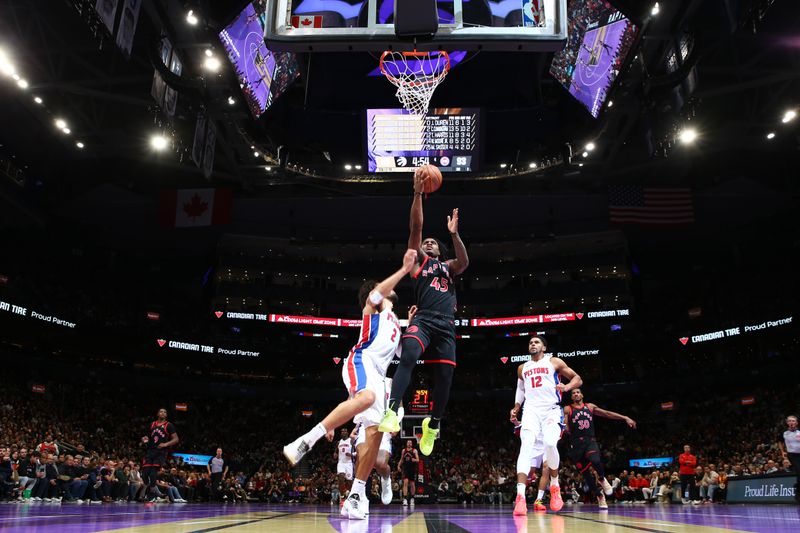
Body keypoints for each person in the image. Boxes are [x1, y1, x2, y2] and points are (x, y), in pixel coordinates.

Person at [283, 249, 417, 520]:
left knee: (375, 434)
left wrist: (412, 327)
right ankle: (307, 440)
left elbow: (405, 355)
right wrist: (403, 270)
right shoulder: (373, 309)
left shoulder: (395, 323)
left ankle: (356, 496)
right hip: (361, 360)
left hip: (379, 375)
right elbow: (374, 295)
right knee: (366, 397)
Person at [380, 168, 470, 457]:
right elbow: (415, 229)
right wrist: (418, 193)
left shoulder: (448, 268)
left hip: (446, 325)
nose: (427, 242)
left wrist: (454, 234)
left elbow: (465, 261)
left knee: (445, 377)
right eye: (425, 242)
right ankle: (392, 412)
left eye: (433, 242)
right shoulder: (419, 263)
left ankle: (433, 424)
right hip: (424, 319)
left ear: (440, 250)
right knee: (407, 357)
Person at [510, 335, 582, 515]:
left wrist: (566, 388)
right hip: (531, 411)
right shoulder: (522, 368)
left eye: (536, 342)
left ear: (544, 347)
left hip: (550, 410)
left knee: (550, 443)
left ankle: (555, 485)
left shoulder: (554, 361)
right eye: (530, 342)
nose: (532, 344)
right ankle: (520, 497)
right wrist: (517, 406)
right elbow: (521, 389)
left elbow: (577, 379)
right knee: (525, 446)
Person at [562, 388, 636, 509]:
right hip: (576, 444)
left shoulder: (590, 407)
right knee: (586, 474)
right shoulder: (568, 409)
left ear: (582, 395)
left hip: (589, 440)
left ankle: (602, 479)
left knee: (595, 460)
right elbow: (566, 426)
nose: (576, 394)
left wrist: (624, 417)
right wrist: (565, 427)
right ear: (571, 397)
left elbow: (607, 413)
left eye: (578, 392)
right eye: (573, 393)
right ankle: (599, 495)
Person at [140, 408, 179, 503]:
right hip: (150, 451)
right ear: (158, 413)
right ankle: (154, 489)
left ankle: (154, 492)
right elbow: (148, 438)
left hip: (160, 452)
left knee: (153, 474)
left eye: (165, 412)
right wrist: (145, 439)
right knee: (145, 474)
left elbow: (176, 439)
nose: (163, 413)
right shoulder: (152, 424)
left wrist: (165, 444)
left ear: (166, 415)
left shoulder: (168, 425)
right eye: (161, 411)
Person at [778, 415, 800, 503]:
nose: (791, 422)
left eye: (793, 421)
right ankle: (798, 493)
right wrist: (782, 451)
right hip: (792, 455)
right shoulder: (784, 433)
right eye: (790, 421)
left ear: (796, 423)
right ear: (787, 423)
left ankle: (797, 489)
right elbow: (779, 441)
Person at [335, 428, 356, 503]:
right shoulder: (338, 442)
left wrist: (352, 454)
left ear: (347, 433)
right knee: (341, 478)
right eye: (342, 431)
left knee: (350, 482)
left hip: (349, 463)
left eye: (344, 431)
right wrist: (335, 454)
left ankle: (350, 495)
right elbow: (336, 452)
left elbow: (358, 452)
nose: (343, 432)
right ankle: (342, 495)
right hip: (341, 463)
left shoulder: (351, 441)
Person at [399, 439, 419, 506]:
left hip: (412, 469)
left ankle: (412, 499)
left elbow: (418, 459)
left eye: (410, 443)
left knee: (412, 484)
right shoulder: (404, 450)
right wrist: (398, 466)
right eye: (408, 443)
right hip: (405, 469)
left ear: (412, 444)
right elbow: (401, 459)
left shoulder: (414, 450)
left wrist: (414, 460)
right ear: (406, 444)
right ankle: (405, 499)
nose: (409, 444)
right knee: (405, 482)